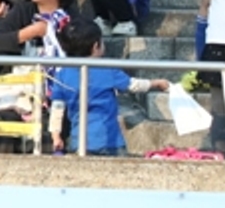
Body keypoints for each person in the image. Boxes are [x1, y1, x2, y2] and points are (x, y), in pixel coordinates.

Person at [47, 19, 170, 156]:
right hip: (111, 142)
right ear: (96, 46)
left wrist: (56, 137)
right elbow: (133, 85)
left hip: (79, 142)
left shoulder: (63, 74)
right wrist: (156, 83)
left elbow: (57, 109)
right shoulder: (106, 69)